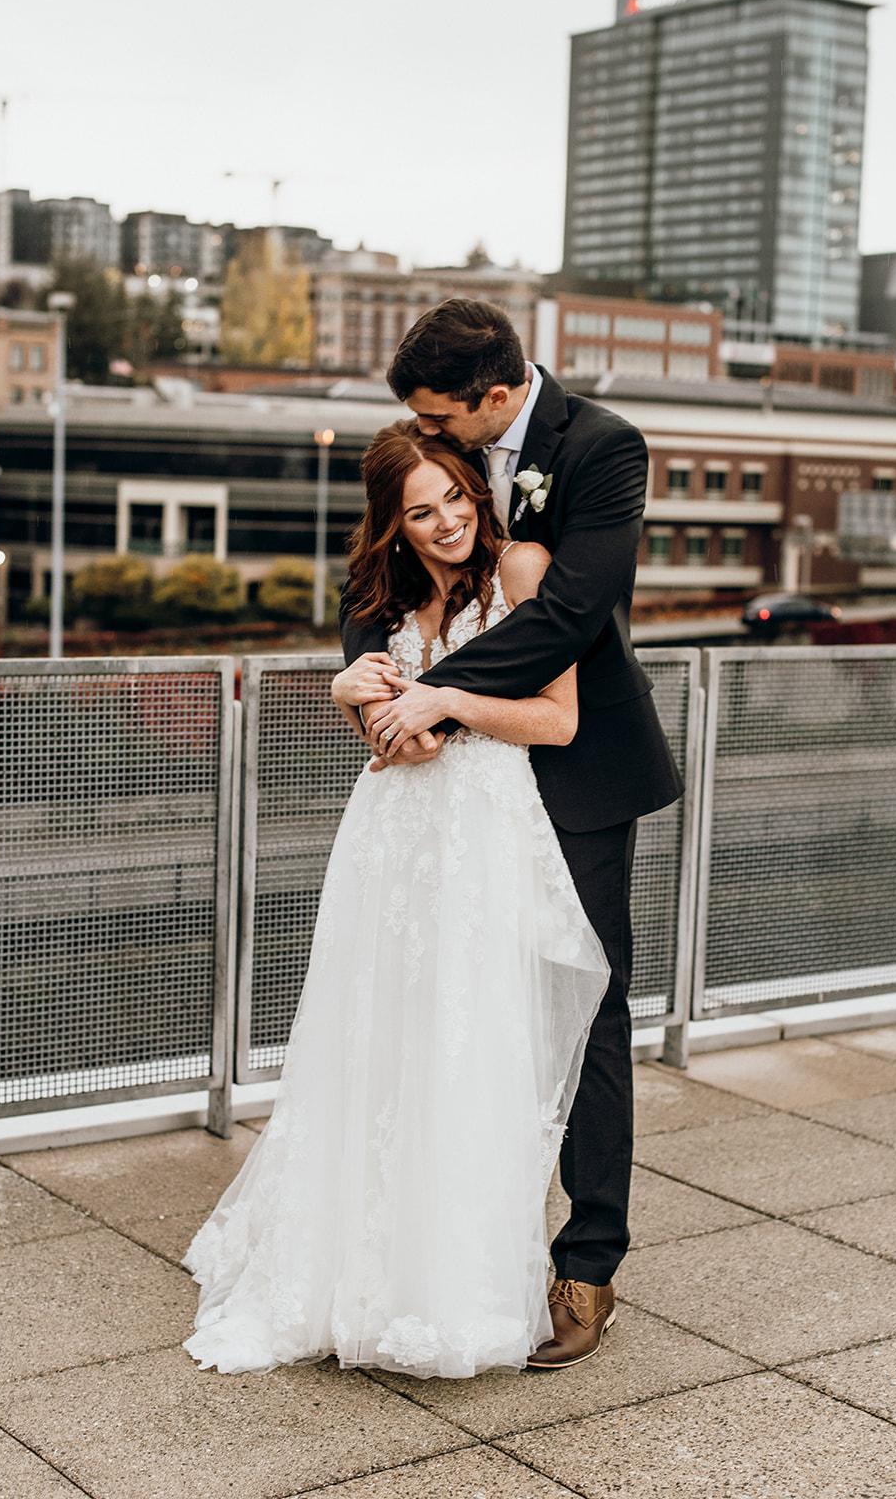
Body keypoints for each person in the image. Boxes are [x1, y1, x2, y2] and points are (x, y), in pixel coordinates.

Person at [180, 421, 612, 1379]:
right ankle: (347, 1265)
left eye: (455, 497)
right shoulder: (388, 597)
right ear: (394, 524)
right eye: (422, 512)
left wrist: (445, 701)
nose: (447, 521)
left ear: (476, 490)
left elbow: (558, 720)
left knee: (465, 1044)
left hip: (482, 839)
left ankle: (446, 1284)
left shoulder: (522, 571)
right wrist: (355, 696)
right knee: (374, 1038)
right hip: (391, 837)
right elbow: (389, 738)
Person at [342, 298, 683, 1368]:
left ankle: (588, 1267)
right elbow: (380, 570)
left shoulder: (603, 447)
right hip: (453, 798)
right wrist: (368, 682)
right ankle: (449, 1251)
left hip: (576, 771)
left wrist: (434, 697)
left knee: (585, 1012)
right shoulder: (437, 452)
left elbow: (569, 614)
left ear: (494, 396)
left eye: (440, 418)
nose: (427, 433)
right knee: (452, 1012)